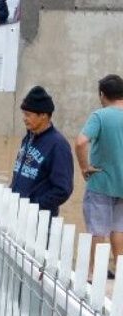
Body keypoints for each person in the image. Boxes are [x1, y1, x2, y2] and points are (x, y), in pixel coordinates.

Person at [75, 74, 123, 279]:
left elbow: (80, 142)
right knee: (119, 228)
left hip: (101, 182)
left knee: (98, 229)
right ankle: (120, 271)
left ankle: (95, 272)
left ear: (102, 95)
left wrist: (85, 167)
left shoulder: (100, 116)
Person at [10, 86, 73, 218]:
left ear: (43, 115)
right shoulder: (28, 138)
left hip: (39, 220)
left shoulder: (58, 145)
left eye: (28, 115)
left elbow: (63, 190)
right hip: (18, 213)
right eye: (23, 114)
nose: (24, 118)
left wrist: (35, 205)